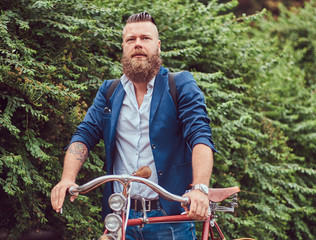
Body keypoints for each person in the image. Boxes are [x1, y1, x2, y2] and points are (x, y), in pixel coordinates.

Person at [51, 12, 215, 239]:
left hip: (169, 219)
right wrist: (67, 179)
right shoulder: (109, 91)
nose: (137, 44)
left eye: (145, 38)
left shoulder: (180, 85)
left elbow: (200, 137)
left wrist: (199, 188)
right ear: (123, 48)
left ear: (158, 46)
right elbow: (85, 134)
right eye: (131, 39)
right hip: (121, 215)